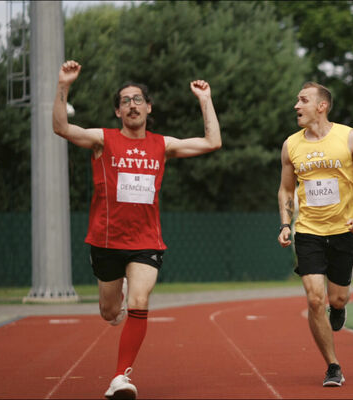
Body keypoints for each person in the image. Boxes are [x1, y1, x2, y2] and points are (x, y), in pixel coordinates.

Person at [52, 60, 221, 399]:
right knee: (109, 312)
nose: (132, 104)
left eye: (138, 99)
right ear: (118, 111)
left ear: (148, 107)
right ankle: (119, 298)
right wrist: (64, 85)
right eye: (126, 100)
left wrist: (205, 101)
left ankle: (120, 377)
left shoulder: (162, 144)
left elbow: (211, 142)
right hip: (106, 239)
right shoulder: (103, 140)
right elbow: (61, 128)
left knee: (141, 299)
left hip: (146, 241)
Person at [277, 82, 353, 387]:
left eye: (303, 100)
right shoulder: (291, 145)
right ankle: (333, 366)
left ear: (322, 106)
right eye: (297, 100)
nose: (296, 105)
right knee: (314, 299)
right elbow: (285, 188)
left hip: (343, 230)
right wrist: (285, 223)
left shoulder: (349, 138)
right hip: (308, 231)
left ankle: (339, 308)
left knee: (337, 297)